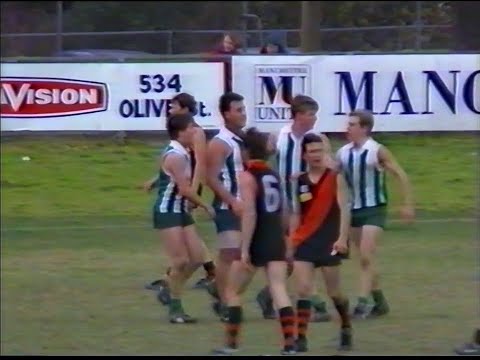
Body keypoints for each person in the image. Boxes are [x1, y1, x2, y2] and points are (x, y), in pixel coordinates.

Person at [212, 128, 296, 356]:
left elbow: (249, 213)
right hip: (275, 236)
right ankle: (290, 345)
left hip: (257, 238)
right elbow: (285, 209)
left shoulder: (248, 176)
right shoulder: (273, 174)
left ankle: (231, 345)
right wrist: (285, 235)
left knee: (232, 291)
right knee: (279, 288)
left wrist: (245, 248)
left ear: (245, 151)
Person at [255, 95, 334, 322]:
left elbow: (330, 166)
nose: (314, 119)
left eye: (315, 114)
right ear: (298, 115)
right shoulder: (280, 137)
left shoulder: (319, 139)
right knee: (295, 253)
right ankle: (313, 303)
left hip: (308, 205)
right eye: (310, 114)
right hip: (283, 206)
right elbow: (262, 161)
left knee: (296, 252)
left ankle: (270, 294)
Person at [336, 110, 415, 319]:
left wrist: (407, 203)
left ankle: (361, 304)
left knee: (365, 256)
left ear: (364, 128)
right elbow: (332, 178)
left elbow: (400, 174)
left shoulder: (376, 150)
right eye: (348, 124)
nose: (348, 128)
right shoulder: (343, 153)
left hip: (374, 210)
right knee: (365, 260)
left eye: (352, 124)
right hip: (353, 211)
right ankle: (380, 302)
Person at [144, 93, 216, 300]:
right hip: (182, 187)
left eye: (174, 106)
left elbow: (200, 163)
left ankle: (203, 273)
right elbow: (173, 166)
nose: (170, 109)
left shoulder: (196, 132)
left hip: (189, 187)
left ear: (184, 108)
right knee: (188, 236)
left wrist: (194, 193)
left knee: (188, 236)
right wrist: (155, 180)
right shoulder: (178, 141)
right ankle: (205, 272)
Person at [290, 133, 352, 352]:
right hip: (305, 240)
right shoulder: (299, 181)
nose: (316, 155)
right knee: (303, 290)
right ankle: (301, 339)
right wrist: (291, 240)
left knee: (334, 292)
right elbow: (297, 213)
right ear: (304, 155)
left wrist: (342, 238)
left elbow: (344, 209)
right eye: (312, 151)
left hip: (329, 241)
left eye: (320, 150)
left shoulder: (335, 177)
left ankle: (345, 326)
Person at [206, 92, 247, 322]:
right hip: (227, 205)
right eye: (238, 110)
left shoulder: (242, 139)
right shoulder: (220, 142)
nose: (243, 114)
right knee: (229, 253)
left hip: (247, 205)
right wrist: (232, 201)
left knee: (245, 256)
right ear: (226, 114)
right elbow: (211, 177)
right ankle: (223, 301)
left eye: (244, 109)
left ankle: (224, 292)